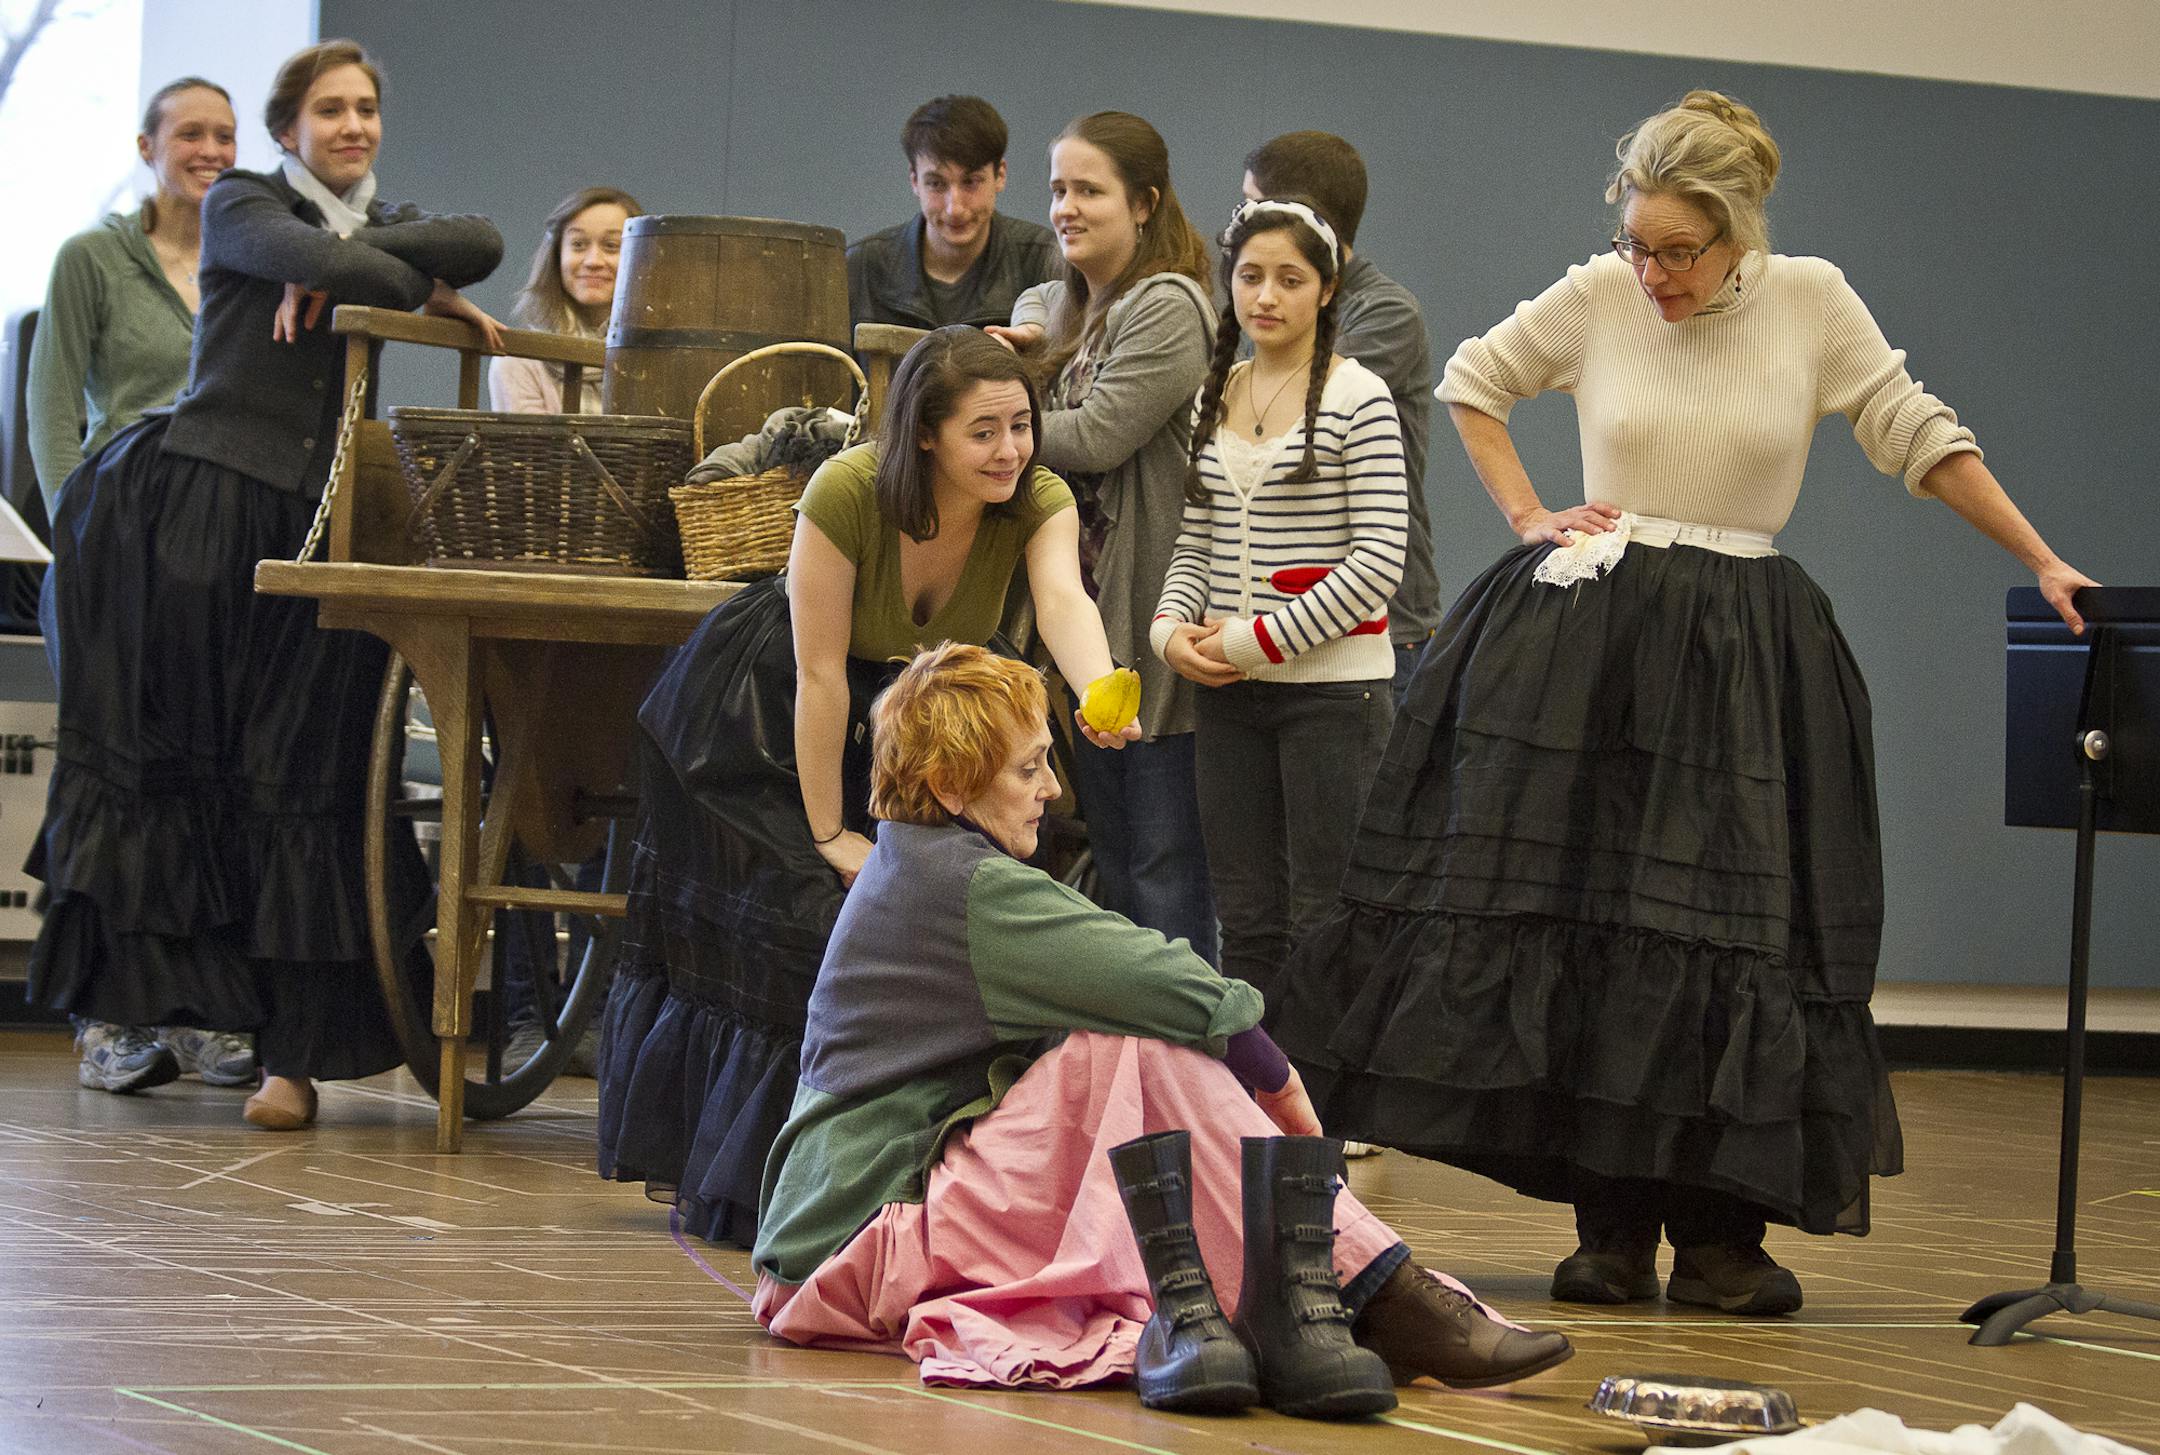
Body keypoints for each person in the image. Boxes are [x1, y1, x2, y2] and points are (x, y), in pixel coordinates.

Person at [1271, 90, 2095, 1315]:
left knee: (1733, 929)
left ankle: (1720, 1236)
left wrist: (2039, 555)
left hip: (1748, 652)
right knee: (1594, 918)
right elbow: (1472, 382)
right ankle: (1609, 1228)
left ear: (1739, 234)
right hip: (1593, 639)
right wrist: (1529, 516)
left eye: (1679, 252)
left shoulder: (1813, 299)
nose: (1652, 273)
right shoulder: (1600, 296)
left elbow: (1914, 431)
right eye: (1636, 246)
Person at [749, 642, 1572, 1406]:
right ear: (950, 785)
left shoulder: (919, 862)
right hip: (855, 1249)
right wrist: (1274, 1075)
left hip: (843, 1234)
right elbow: (1160, 976)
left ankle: (1337, 1292)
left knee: (1123, 1041)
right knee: (1130, 1040)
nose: (1052, 790)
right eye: (1029, 768)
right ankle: (1371, 1287)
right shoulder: (960, 884)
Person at [24, 39, 503, 1132]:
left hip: (315, 520)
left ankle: (274, 1036)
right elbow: (320, 257)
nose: (352, 127)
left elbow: (480, 240)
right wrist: (376, 270)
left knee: (295, 773)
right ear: (289, 131)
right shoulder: (242, 201)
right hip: (191, 513)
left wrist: (350, 258)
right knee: (176, 764)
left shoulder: (362, 219)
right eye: (329, 111)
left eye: (367, 109)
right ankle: (139, 1018)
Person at [597, 326, 1135, 1243]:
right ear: (925, 434)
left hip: (913, 711)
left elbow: (1062, 601)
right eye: (984, 431)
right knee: (805, 918)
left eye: (1022, 426)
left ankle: (914, 1174)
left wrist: (1098, 688)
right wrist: (830, 833)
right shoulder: (846, 490)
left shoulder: (1035, 497)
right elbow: (817, 676)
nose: (1011, 449)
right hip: (772, 712)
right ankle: (774, 1179)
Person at [24, 76, 260, 1095]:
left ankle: (197, 1010)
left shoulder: (247, 259)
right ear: (147, 143)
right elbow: (49, 419)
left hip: (211, 553)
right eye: (189, 134)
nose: (208, 149)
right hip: (112, 544)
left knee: (203, 773)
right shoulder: (94, 258)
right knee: (114, 774)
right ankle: (109, 1014)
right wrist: (82, 543)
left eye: (225, 135)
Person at [1152, 197, 1405, 1014]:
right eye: (1250, 276)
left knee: (1323, 916)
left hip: (1334, 698)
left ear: (1326, 290)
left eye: (1289, 279)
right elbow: (1195, 543)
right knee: (1247, 918)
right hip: (1230, 698)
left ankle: (1326, 1107)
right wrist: (1167, 635)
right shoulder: (1213, 393)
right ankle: (1257, 1099)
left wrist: (1253, 641)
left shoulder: (1358, 396)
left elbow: (1378, 563)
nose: (1265, 296)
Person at [995, 111, 1219, 959]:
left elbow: (1097, 434)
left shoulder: (1170, 304)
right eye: (1057, 189)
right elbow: (1036, 300)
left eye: (1090, 190)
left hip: (1152, 623)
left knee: (1161, 869)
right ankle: (1129, 1070)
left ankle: (1184, 1075)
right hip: (1086, 628)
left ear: (1146, 204)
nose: (1066, 208)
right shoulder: (1069, 302)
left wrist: (983, 430)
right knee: (1118, 866)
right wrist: (1025, 339)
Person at [1241, 132, 1440, 698]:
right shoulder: (1258, 301)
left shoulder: (1385, 311)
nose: (1242, 224)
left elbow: (1285, 400)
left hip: (1380, 625)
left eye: (1253, 206)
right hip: (1276, 617)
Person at [846, 95, 1058, 332]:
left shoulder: (1046, 262)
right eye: (936, 184)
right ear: (914, 180)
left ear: (1000, 175)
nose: (954, 208)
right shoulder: (859, 268)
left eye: (971, 182)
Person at [489, 185, 641, 414]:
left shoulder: (660, 359)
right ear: (557, 255)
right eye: (578, 245)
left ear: (642, 255)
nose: (593, 261)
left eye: (611, 246)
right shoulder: (520, 361)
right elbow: (530, 450)